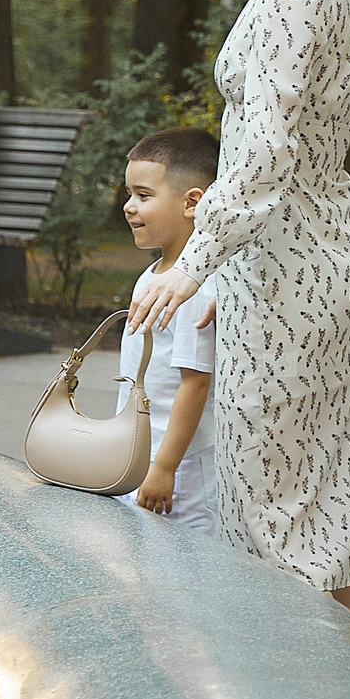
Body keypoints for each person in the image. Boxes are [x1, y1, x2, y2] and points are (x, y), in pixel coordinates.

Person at [128, 0, 350, 622]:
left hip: (282, 283)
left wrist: (192, 261)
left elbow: (264, 152)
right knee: (333, 518)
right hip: (331, 264)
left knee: (272, 523)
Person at [116, 126, 221, 535]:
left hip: (181, 467)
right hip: (141, 453)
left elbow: (194, 384)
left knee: (184, 573)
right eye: (129, 194)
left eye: (143, 196)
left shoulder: (194, 288)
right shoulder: (154, 276)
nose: (128, 206)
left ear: (191, 202)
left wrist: (164, 468)